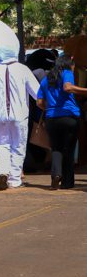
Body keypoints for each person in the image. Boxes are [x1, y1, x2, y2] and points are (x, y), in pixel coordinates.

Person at [0, 17, 40, 190]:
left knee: (1, 144)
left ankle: (2, 172)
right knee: (18, 145)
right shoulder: (23, 69)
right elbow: (38, 93)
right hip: (20, 114)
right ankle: (15, 179)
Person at [37, 56, 87, 190]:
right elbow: (67, 87)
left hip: (51, 119)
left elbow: (39, 102)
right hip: (69, 116)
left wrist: (49, 109)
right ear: (70, 64)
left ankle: (56, 175)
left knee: (56, 148)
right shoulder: (67, 72)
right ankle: (67, 182)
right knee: (68, 150)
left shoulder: (46, 79)